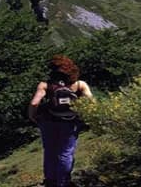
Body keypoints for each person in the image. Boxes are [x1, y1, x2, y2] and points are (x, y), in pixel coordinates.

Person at [28, 55, 93, 187]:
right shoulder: (79, 84)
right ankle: (64, 182)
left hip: (48, 122)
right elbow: (92, 102)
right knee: (66, 152)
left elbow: (34, 103)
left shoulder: (45, 85)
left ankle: (50, 181)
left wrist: (32, 116)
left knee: (50, 151)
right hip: (70, 122)